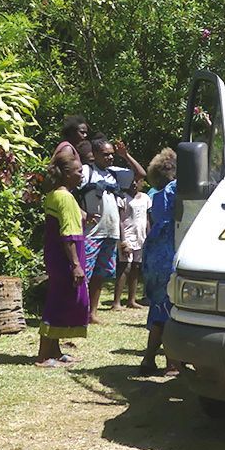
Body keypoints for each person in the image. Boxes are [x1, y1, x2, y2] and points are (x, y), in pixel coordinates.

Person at [78, 135, 145, 320]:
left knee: (100, 275)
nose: (110, 158)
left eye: (112, 154)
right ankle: (79, 312)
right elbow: (68, 191)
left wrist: (125, 155)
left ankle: (92, 313)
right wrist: (83, 214)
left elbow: (140, 174)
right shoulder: (85, 171)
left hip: (111, 232)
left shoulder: (114, 173)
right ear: (95, 154)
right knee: (85, 274)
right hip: (91, 232)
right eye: (106, 155)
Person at [37, 146, 89, 367]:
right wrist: (75, 265)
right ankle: (43, 354)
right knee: (58, 301)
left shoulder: (56, 194)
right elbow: (67, 234)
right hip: (66, 255)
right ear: (67, 174)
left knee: (62, 298)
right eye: (78, 171)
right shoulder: (65, 198)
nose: (82, 175)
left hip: (56, 253)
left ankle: (55, 350)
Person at [140, 148, 179, 375]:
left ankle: (148, 360)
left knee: (158, 309)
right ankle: (172, 363)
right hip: (168, 254)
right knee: (171, 309)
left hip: (154, 255)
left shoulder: (156, 194)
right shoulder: (173, 190)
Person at [118, 178, 152, 307]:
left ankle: (131, 300)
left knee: (136, 267)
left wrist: (149, 236)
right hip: (128, 236)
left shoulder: (145, 198)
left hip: (141, 237)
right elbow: (120, 221)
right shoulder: (123, 198)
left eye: (137, 181)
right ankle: (116, 301)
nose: (134, 183)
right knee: (124, 266)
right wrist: (123, 241)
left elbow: (147, 219)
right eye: (131, 181)